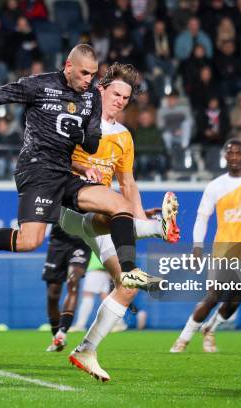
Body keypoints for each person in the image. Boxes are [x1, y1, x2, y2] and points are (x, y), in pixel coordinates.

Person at [0, 45, 150, 287]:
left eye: (93, 74)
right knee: (28, 242)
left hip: (64, 173)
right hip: (36, 169)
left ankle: (129, 270)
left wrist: (81, 138)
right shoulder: (39, 85)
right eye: (84, 73)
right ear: (69, 66)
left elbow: (93, 144)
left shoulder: (92, 96)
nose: (89, 80)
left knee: (120, 205)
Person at [53, 63, 179, 381]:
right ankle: (156, 229)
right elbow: (56, 156)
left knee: (127, 286)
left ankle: (86, 349)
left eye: (126, 97)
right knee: (105, 211)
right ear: (101, 90)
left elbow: (128, 185)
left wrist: (133, 216)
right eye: (116, 93)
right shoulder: (80, 120)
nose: (121, 100)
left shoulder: (124, 137)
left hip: (102, 215)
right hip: (70, 206)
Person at [170, 139, 241, 354]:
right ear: (225, 157)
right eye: (231, 153)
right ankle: (182, 339)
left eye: (238, 153)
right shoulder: (215, 186)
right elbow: (202, 217)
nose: (235, 157)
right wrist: (197, 247)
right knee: (213, 296)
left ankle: (210, 329)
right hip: (223, 248)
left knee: (236, 299)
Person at [43, 225, 91, 351]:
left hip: (81, 241)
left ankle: (62, 332)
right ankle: (56, 337)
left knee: (73, 282)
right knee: (53, 294)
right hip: (58, 242)